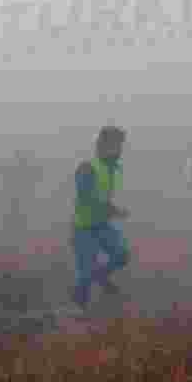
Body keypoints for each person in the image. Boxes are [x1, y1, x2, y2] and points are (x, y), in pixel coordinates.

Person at [70, 125, 131, 309]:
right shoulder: (88, 167)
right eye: (115, 145)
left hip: (102, 225)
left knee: (121, 255)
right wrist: (111, 209)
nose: (119, 150)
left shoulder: (112, 168)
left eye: (120, 145)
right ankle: (78, 307)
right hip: (83, 228)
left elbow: (101, 196)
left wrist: (111, 210)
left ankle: (101, 275)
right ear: (102, 146)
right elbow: (85, 196)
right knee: (85, 274)